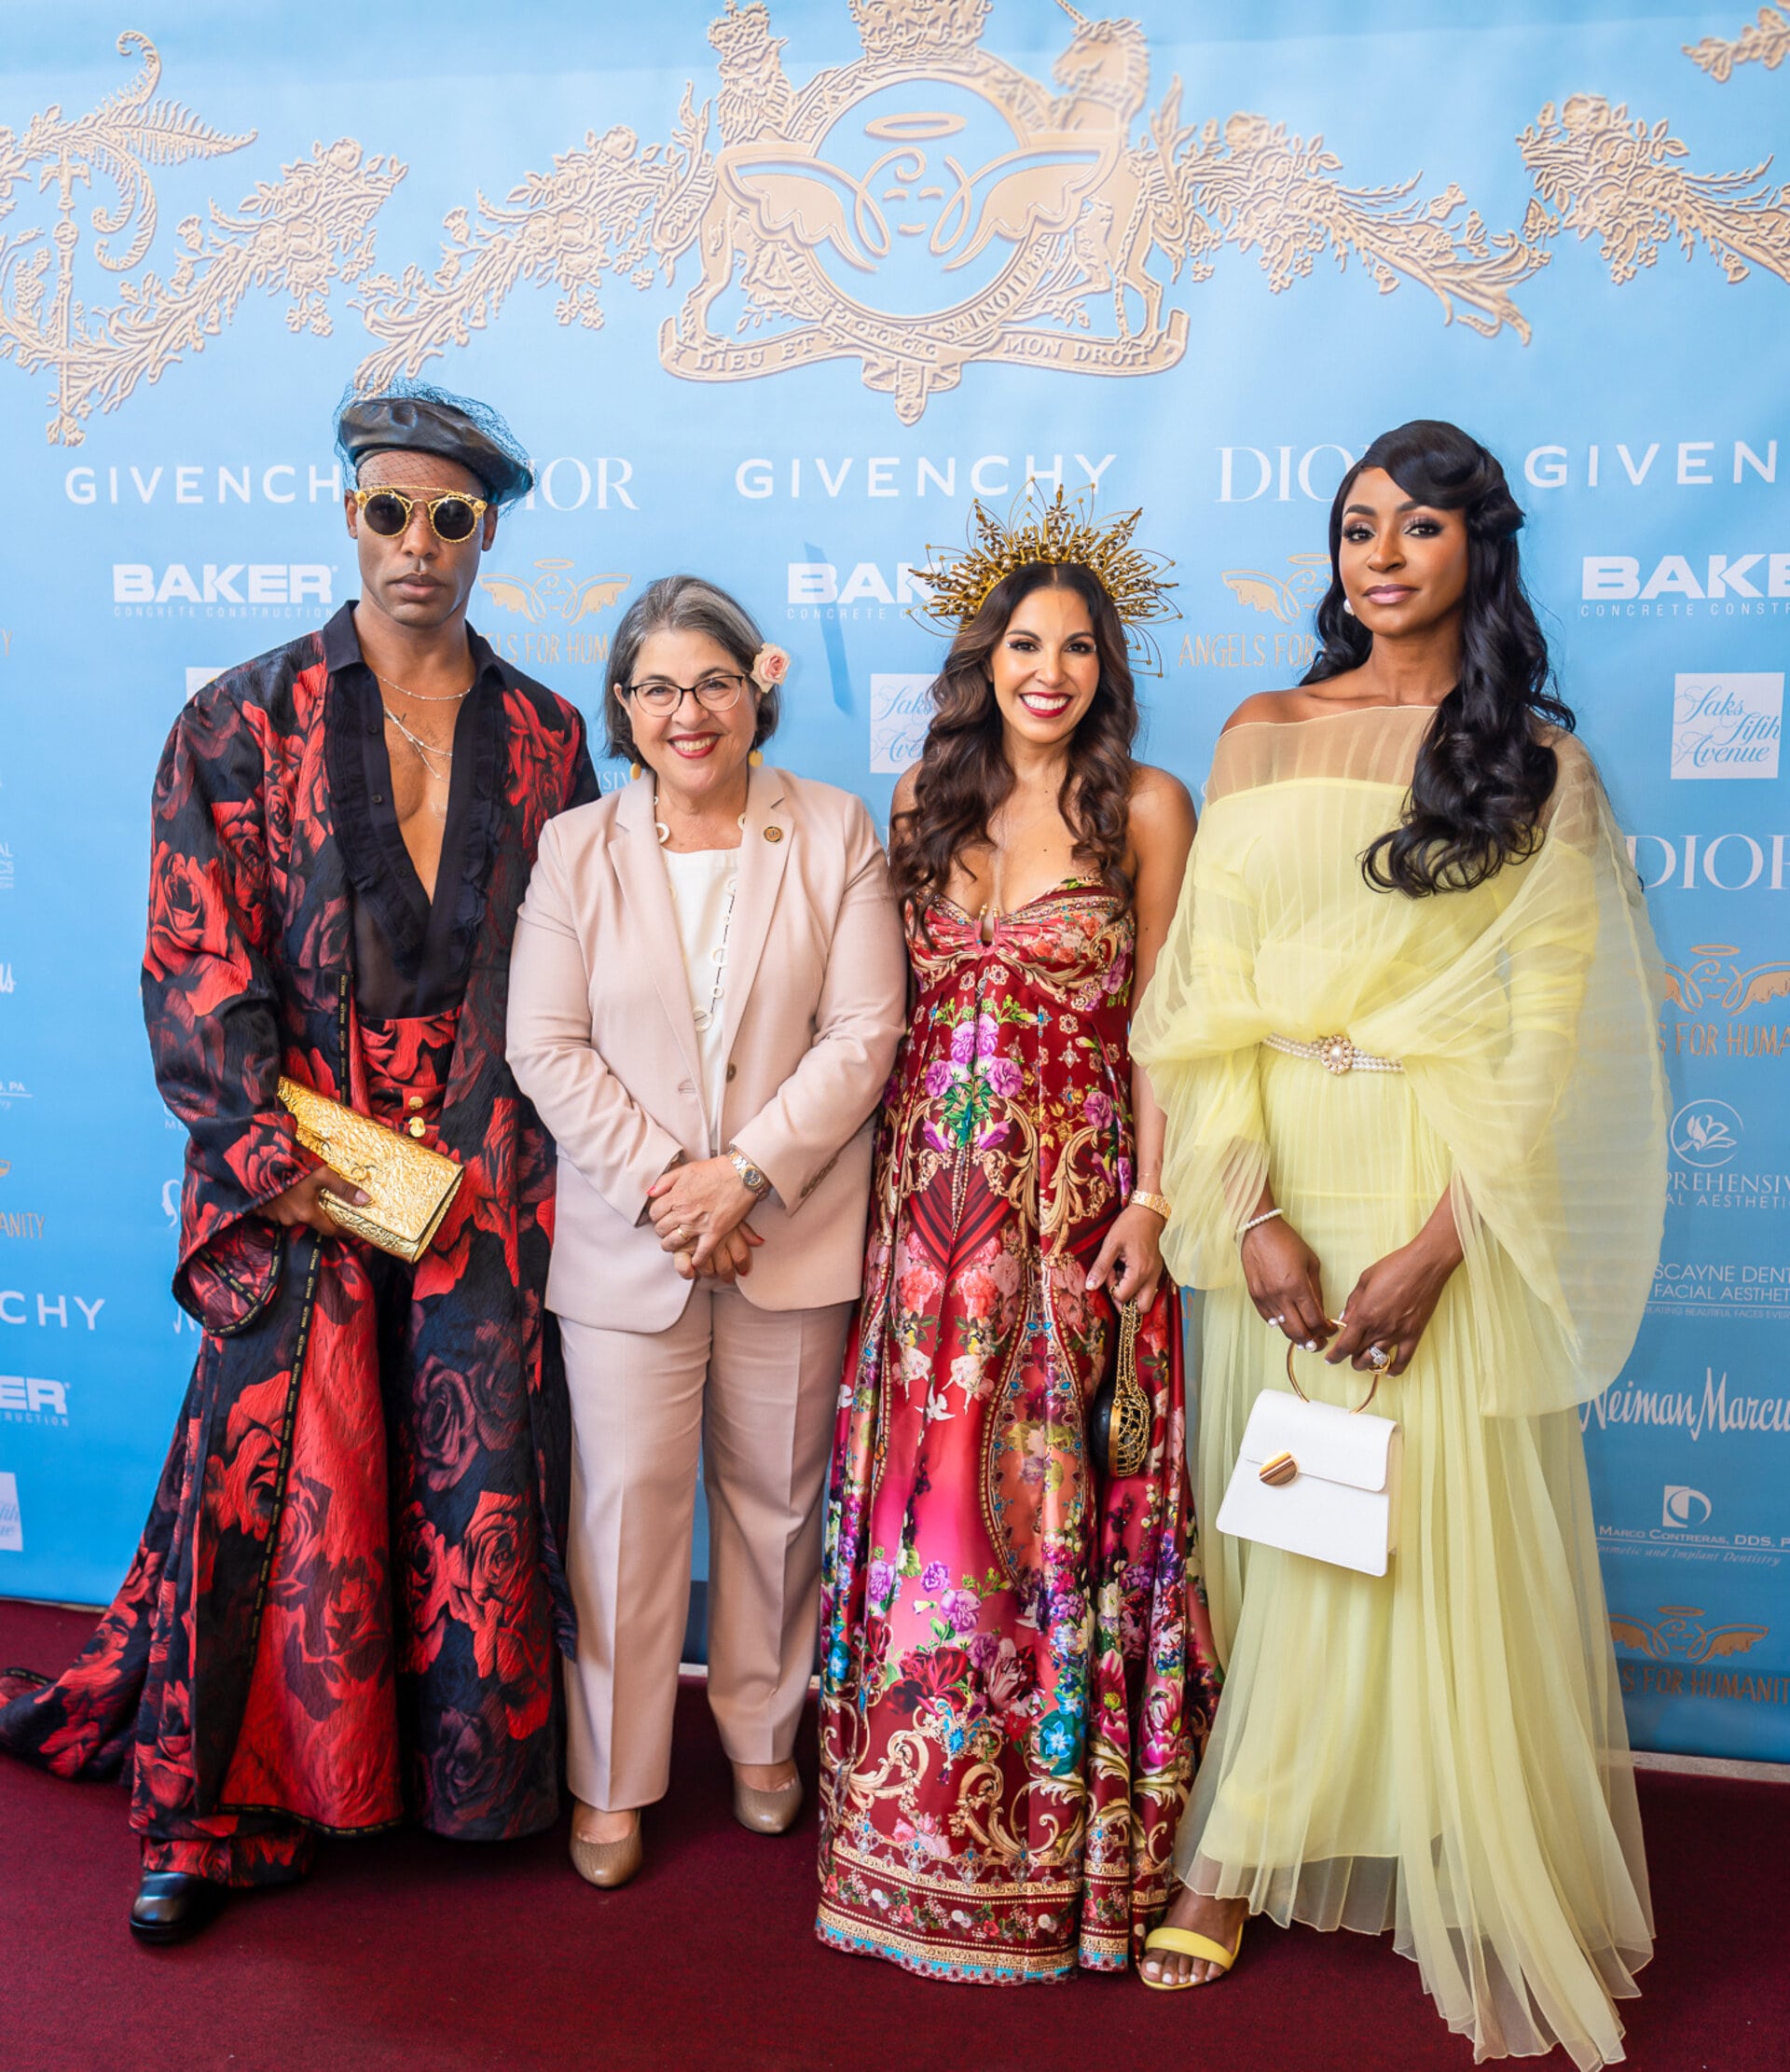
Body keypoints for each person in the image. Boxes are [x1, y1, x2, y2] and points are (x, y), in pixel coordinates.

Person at [0, 384, 598, 1942]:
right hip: (297, 1165)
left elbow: (583, 964)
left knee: (470, 1472)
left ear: (489, 534)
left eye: (452, 516)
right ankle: (213, 1808)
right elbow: (192, 957)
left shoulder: (548, 735)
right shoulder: (240, 718)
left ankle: (457, 1784)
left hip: (478, 1172)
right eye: (390, 508)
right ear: (349, 512)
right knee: (273, 1473)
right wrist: (276, 1153)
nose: (418, 543)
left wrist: (495, 1162)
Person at [1131, 421, 1664, 2065]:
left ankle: (1462, 1833)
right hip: (1279, 1165)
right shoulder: (1260, 732)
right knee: (1288, 1513)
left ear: (1474, 553)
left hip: (1451, 1181)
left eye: (1417, 526)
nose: (1380, 553)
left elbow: (1550, 1041)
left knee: (1438, 1529)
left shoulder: (1540, 766)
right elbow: (1201, 1003)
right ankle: (1236, 1848)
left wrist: (1444, 1242)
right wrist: (1254, 1213)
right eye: (1357, 524)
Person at [814, 492, 1219, 1983]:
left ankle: (1056, 1848)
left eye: (1080, 648)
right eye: (1026, 644)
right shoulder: (925, 809)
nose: (1050, 670)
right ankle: (907, 1831)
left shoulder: (1151, 809)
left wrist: (1155, 1208)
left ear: (1109, 671)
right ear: (986, 662)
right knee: (927, 1521)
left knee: (1051, 1515)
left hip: (1073, 1227)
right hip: (925, 1235)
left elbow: (1169, 1031)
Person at [505, 573, 907, 1889]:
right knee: (620, 1515)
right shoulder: (576, 847)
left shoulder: (836, 828)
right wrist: (676, 1188)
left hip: (786, 1230)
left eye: (715, 682)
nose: (691, 711)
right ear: (624, 707)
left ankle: (761, 1734)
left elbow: (864, 1033)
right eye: (660, 688)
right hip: (633, 1245)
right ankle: (612, 1779)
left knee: (780, 1505)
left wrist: (745, 1175)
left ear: (759, 691)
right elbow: (544, 1045)